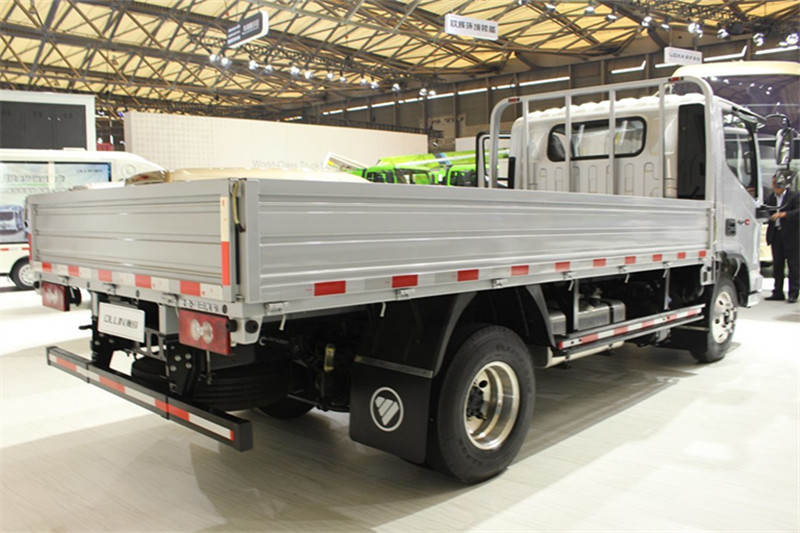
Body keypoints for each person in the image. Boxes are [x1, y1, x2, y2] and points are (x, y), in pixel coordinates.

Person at [765, 169, 800, 303]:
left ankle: (793, 293)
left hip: (791, 236)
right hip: (776, 235)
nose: (774, 186)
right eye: (773, 183)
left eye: (777, 183)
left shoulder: (794, 196)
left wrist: (784, 214)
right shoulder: (770, 198)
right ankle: (777, 292)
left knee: (793, 266)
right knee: (777, 265)